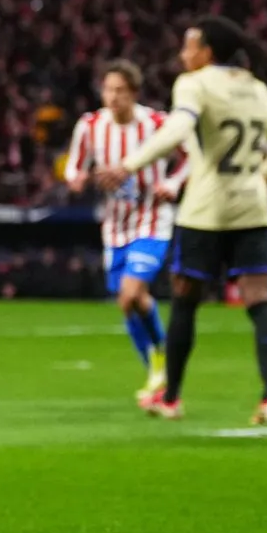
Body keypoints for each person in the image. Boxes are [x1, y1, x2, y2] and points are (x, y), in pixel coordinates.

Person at [97, 16, 267, 424]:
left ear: (207, 52)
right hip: (252, 207)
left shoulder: (195, 84)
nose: (183, 54)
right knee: (259, 301)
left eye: (189, 46)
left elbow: (178, 128)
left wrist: (129, 164)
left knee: (185, 302)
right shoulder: (257, 87)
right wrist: (266, 176)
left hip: (206, 210)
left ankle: (171, 397)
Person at [63, 59, 189, 404]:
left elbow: (191, 156)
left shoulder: (157, 123)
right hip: (114, 226)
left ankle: (160, 367)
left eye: (121, 90)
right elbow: (75, 165)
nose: (113, 97)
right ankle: (157, 365)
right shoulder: (90, 126)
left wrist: (173, 182)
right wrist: (75, 179)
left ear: (134, 93)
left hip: (152, 219)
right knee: (130, 302)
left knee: (131, 293)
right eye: (108, 89)